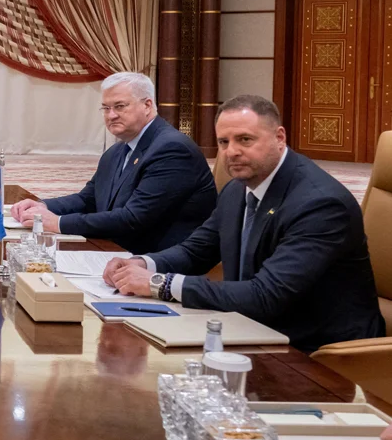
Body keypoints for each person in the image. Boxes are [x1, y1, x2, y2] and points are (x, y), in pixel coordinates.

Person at [104, 95, 385, 352]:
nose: (231, 152)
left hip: (315, 351)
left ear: (279, 137)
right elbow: (196, 251)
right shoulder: (238, 188)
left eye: (245, 140)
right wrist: (143, 264)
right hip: (251, 328)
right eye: (224, 142)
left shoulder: (320, 204)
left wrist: (160, 284)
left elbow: (266, 295)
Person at [12, 72, 216, 255]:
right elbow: (88, 199)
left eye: (120, 106)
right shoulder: (117, 151)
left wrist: (58, 223)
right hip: (117, 250)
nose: (111, 115)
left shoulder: (172, 149)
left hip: (159, 263)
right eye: (106, 108)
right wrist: (43, 205)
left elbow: (134, 219)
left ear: (147, 105)